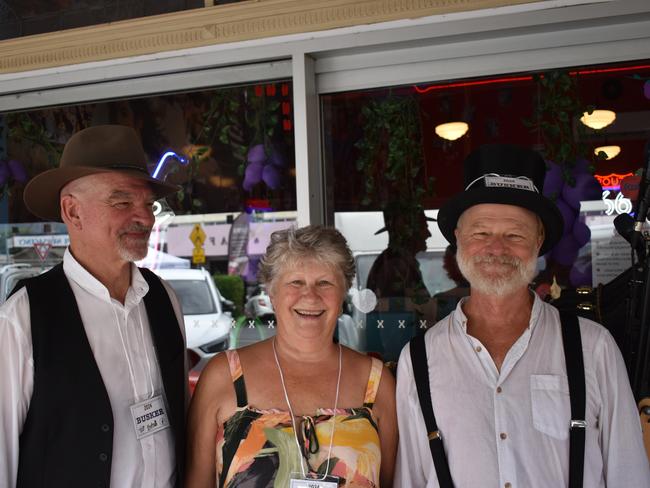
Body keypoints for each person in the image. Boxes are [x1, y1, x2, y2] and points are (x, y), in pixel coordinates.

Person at [395, 144, 650, 487]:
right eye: (481, 232)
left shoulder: (594, 347)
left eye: (514, 234)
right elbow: (410, 479)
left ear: (538, 240)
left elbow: (629, 475)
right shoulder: (418, 358)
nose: (496, 248)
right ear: (458, 238)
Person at [0, 125, 188, 488]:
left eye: (148, 204)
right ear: (73, 212)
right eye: (122, 203)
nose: (146, 217)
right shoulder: (22, 318)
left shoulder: (163, 298)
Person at [186, 225, 398, 487]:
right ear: (271, 293)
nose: (310, 295)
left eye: (325, 283)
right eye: (295, 282)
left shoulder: (376, 383)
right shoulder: (224, 376)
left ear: (343, 292)